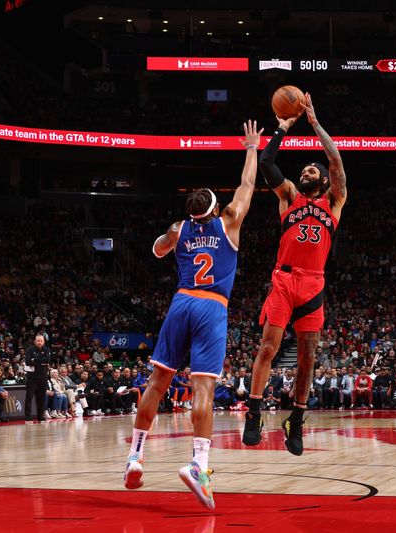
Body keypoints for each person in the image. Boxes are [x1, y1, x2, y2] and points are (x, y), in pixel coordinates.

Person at [124, 121, 262, 511]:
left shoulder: (179, 228)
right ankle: (199, 465)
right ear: (215, 208)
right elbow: (248, 186)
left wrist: (171, 236)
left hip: (181, 302)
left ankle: (135, 456)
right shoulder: (230, 220)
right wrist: (251, 147)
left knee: (157, 382)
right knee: (202, 390)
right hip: (212, 306)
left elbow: (156, 251)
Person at [243, 93, 348, 455]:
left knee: (307, 359)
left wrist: (315, 123)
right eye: (303, 170)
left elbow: (335, 163)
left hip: (313, 284)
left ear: (321, 181)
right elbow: (268, 161)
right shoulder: (288, 196)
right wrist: (283, 127)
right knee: (268, 346)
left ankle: (297, 420)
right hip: (285, 280)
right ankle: (254, 412)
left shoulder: (333, 202)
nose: (305, 172)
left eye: (310, 171)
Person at [24, 334, 51, 422]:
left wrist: (35, 360)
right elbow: (28, 362)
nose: (39, 342)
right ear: (35, 341)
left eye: (41, 341)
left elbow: (47, 360)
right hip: (32, 378)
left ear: (44, 342)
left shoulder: (46, 350)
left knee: (42, 398)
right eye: (38, 341)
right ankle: (28, 417)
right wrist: (41, 361)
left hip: (43, 377)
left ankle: (40, 416)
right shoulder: (30, 350)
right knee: (29, 398)